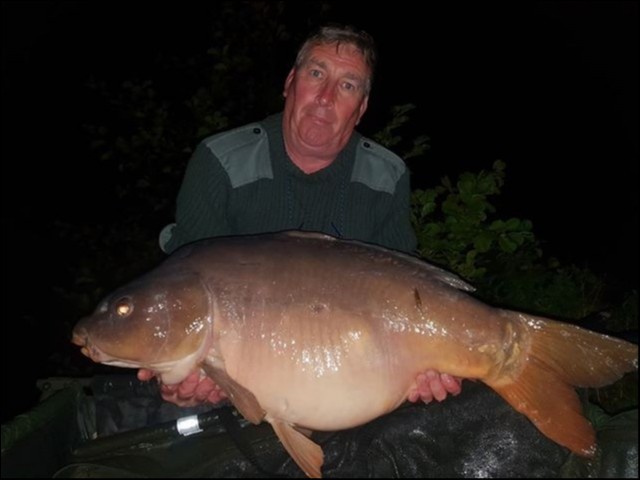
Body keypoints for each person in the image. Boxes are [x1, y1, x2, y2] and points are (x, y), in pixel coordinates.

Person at [138, 24, 462, 408]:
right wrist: (187, 381)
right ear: (290, 82)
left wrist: (426, 365)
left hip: (350, 381)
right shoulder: (220, 162)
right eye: (316, 73)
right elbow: (185, 293)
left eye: (347, 85)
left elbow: (409, 296)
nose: (325, 97)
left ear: (361, 109)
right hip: (240, 384)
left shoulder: (386, 176)